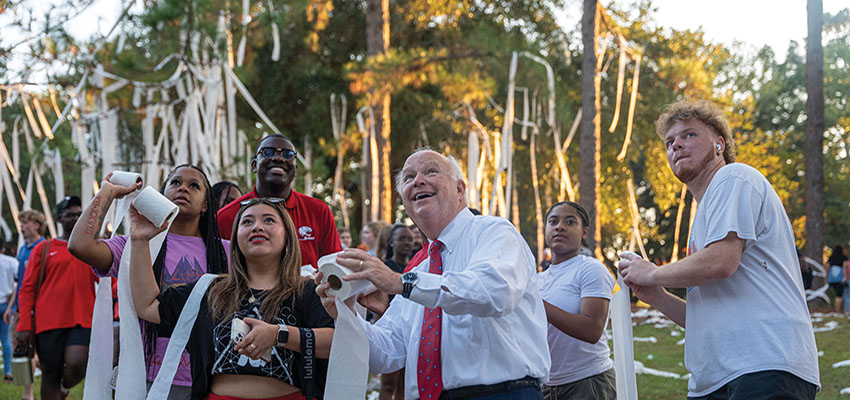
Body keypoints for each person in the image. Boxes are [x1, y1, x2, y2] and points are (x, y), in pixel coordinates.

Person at [618, 99, 819, 399]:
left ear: (719, 145)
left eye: (689, 135)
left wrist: (653, 273)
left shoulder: (733, 178)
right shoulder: (704, 217)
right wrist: (657, 297)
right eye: (670, 141)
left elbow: (721, 262)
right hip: (717, 379)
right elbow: (703, 319)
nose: (676, 146)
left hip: (765, 366)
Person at [317, 149, 550, 399]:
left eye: (431, 171)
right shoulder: (419, 271)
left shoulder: (493, 232)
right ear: (405, 201)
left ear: (460, 190)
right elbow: (386, 352)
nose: (418, 181)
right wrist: (346, 314)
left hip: (501, 393)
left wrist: (399, 283)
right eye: (408, 177)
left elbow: (495, 292)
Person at [130, 198, 334, 400]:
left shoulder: (309, 289)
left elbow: (336, 342)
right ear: (235, 239)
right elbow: (148, 306)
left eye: (269, 220)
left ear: (287, 237)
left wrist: (279, 335)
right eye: (247, 222)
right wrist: (140, 241)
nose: (257, 227)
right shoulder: (209, 290)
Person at [68, 165, 230, 399]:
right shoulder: (134, 243)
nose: (183, 188)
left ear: (206, 204)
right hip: (144, 377)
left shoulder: (226, 252)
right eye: (175, 183)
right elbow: (79, 245)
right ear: (162, 195)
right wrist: (107, 192)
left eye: (194, 185)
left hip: (207, 377)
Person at [16, 196, 98, 400]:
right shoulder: (43, 249)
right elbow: (26, 289)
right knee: (50, 374)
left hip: (83, 319)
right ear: (59, 218)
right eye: (70, 214)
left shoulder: (91, 247)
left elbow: (108, 278)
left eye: (80, 214)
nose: (76, 218)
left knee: (78, 363)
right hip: (48, 323)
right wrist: (24, 325)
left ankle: (63, 389)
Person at [217, 134, 341, 268]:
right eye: (268, 152)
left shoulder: (318, 212)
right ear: (254, 165)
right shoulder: (226, 217)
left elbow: (333, 270)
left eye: (288, 154)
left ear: (296, 169)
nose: (278, 158)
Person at [538, 202, 615, 400]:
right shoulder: (537, 279)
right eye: (553, 221)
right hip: (547, 385)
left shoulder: (591, 269)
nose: (559, 227)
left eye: (570, 222)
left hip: (588, 383)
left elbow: (592, 330)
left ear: (584, 232)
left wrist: (537, 303)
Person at [4, 209, 45, 399]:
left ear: (36, 225)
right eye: (20, 223)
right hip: (20, 307)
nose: (21, 227)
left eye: (25, 223)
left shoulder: (44, 247)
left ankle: (38, 388)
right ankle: (28, 392)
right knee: (20, 349)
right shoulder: (22, 249)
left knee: (37, 350)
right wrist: (11, 306)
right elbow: (20, 283)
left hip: (40, 309)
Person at [0, 239, 17, 381]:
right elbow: (20, 279)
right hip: (6, 303)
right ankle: (8, 371)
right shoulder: (10, 261)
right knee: (6, 339)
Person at [826, 245, 847, 314]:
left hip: (832, 278)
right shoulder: (843, 258)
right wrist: (844, 277)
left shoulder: (831, 258)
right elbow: (844, 268)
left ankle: (835, 309)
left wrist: (826, 277)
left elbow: (827, 268)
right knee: (839, 294)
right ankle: (838, 310)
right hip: (839, 278)